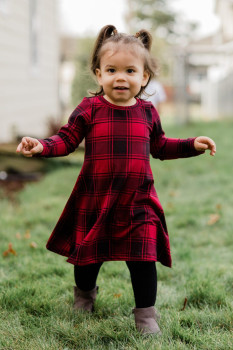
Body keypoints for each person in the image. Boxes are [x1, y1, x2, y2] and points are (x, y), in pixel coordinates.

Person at [16, 25, 216, 336]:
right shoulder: (90, 109)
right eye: (111, 70)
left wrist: (192, 144)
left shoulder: (148, 113)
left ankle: (146, 315)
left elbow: (161, 146)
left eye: (129, 71)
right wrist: (41, 146)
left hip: (138, 201)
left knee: (143, 259)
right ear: (98, 74)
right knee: (87, 257)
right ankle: (84, 294)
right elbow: (66, 140)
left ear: (144, 77)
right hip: (95, 198)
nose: (120, 77)